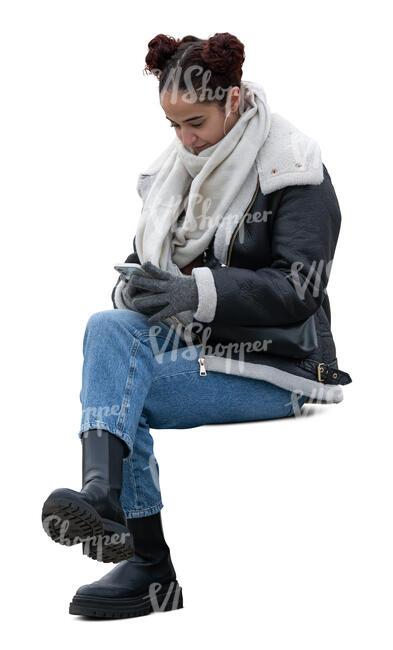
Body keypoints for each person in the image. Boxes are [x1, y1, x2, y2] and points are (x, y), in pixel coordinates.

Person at [41, 32, 352, 619]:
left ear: (233, 100)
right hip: (196, 351)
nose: (185, 139)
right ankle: (101, 497)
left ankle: (148, 563)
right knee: (107, 326)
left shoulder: (295, 169)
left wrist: (198, 292)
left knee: (122, 392)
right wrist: (138, 287)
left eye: (197, 122)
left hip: (277, 367)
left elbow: (299, 291)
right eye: (173, 124)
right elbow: (144, 263)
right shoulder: (174, 173)